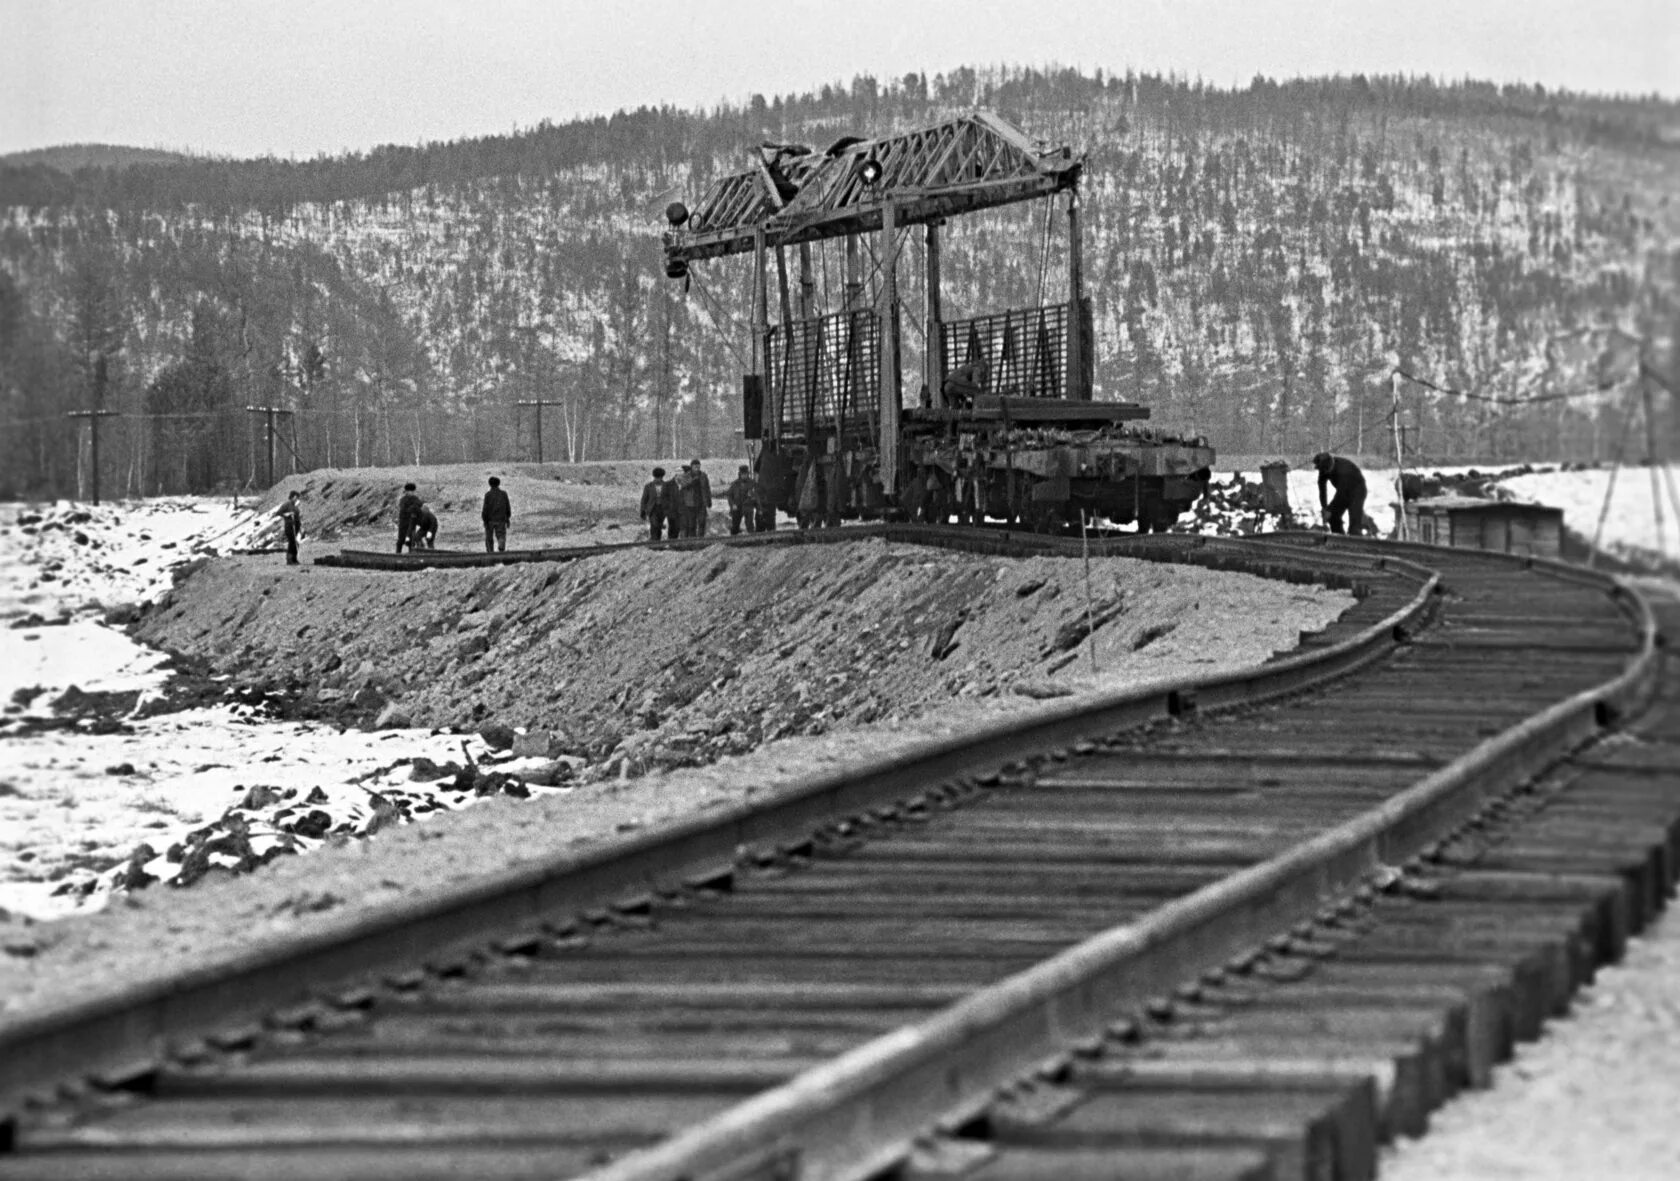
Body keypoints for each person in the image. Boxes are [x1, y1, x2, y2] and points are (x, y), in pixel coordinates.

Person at [1314, 451, 1368, 536]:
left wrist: (1329, 509)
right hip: (1343, 492)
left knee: (1354, 525)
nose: (1326, 472)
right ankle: (1339, 539)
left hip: (1357, 491)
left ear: (1330, 464)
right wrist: (1324, 508)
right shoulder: (1323, 469)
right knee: (1332, 517)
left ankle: (1356, 542)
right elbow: (1322, 489)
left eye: (1327, 470)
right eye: (1323, 470)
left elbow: (1341, 493)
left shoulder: (1342, 469)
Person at [640, 466, 674, 541]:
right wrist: (643, 510)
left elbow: (670, 498)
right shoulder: (648, 486)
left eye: (660, 477)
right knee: (654, 525)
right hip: (653, 509)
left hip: (663, 509)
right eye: (657, 477)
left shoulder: (666, 486)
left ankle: (657, 542)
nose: (658, 479)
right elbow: (644, 499)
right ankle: (654, 541)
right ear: (654, 477)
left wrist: (669, 508)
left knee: (659, 526)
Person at [482, 475, 511, 553]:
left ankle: (490, 553)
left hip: (490, 520)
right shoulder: (503, 494)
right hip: (501, 519)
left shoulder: (488, 495)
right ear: (498, 484)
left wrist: (484, 520)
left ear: (490, 484)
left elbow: (485, 509)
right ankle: (501, 548)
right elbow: (507, 506)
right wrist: (508, 518)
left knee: (489, 539)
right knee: (501, 536)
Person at [273, 490, 303, 566]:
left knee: (296, 543)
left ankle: (294, 559)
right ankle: (289, 560)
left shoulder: (295, 506)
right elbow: (278, 513)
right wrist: (287, 514)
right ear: (292, 497)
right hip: (289, 526)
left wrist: (299, 525)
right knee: (292, 542)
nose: (297, 499)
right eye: (296, 497)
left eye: (297, 498)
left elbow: (297, 515)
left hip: (296, 526)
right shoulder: (286, 504)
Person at [726, 465, 755, 536]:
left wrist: (751, 498)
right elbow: (729, 495)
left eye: (746, 474)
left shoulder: (752, 483)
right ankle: (733, 539)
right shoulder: (735, 484)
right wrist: (732, 505)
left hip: (748, 506)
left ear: (748, 474)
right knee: (735, 526)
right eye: (743, 474)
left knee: (750, 525)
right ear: (740, 474)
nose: (744, 476)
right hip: (737, 507)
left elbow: (755, 495)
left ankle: (752, 538)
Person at [689, 458, 713, 536]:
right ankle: (692, 540)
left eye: (698, 466)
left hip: (701, 502)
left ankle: (700, 539)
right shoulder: (687, 475)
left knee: (702, 522)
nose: (697, 468)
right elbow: (683, 486)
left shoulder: (703, 475)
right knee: (692, 523)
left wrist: (709, 500)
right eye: (695, 466)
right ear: (691, 467)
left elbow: (707, 488)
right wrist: (692, 482)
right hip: (691, 503)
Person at [396, 483, 423, 552]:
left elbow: (419, 504)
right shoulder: (403, 499)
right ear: (407, 491)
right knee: (400, 541)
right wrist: (412, 508)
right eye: (409, 491)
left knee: (411, 541)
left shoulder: (415, 499)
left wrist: (412, 508)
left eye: (412, 491)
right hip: (403, 523)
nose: (411, 493)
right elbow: (404, 509)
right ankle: (397, 555)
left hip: (411, 522)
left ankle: (411, 555)